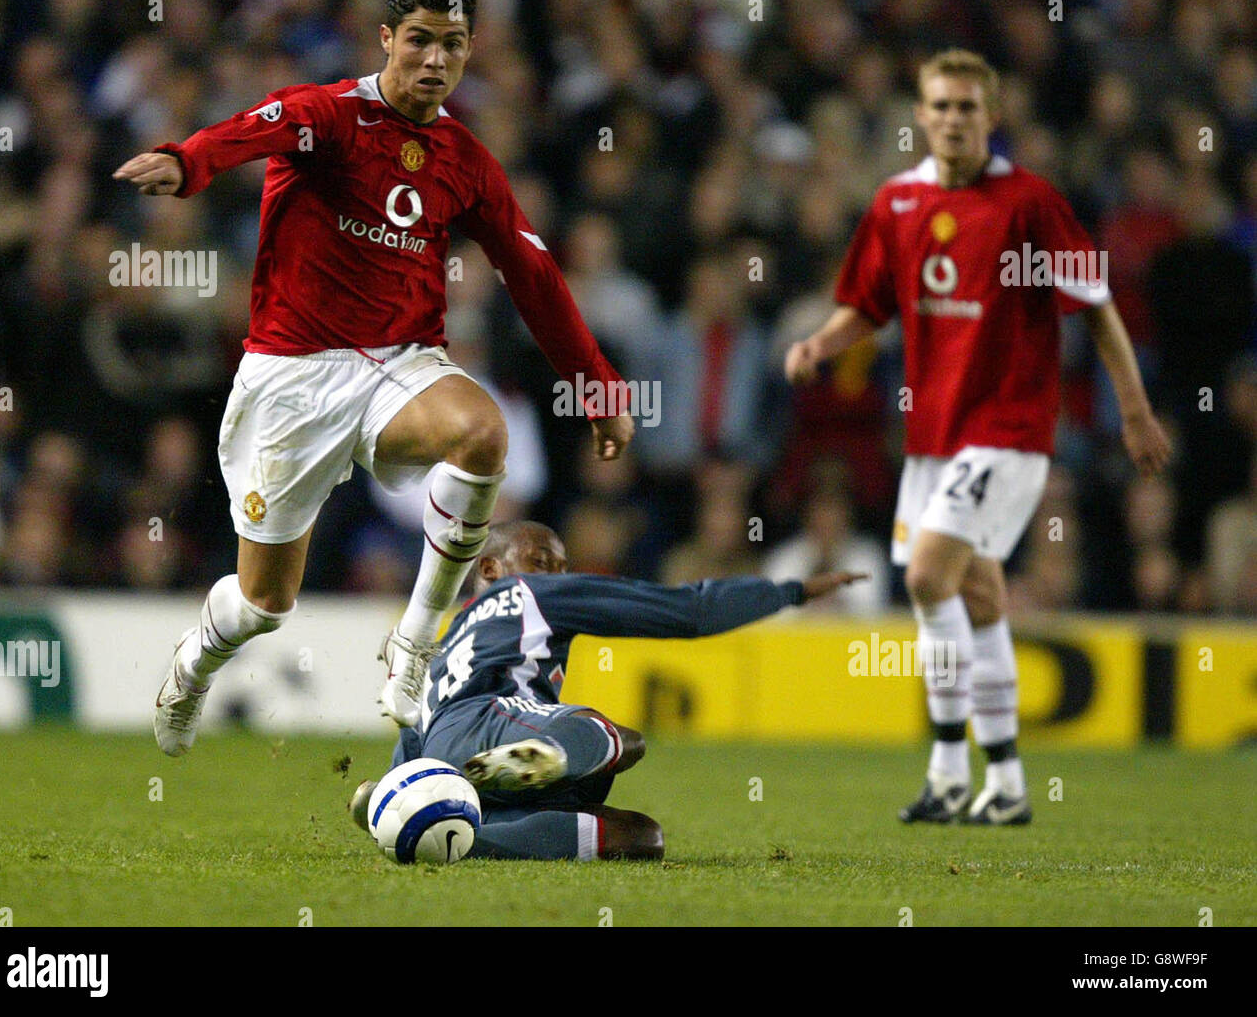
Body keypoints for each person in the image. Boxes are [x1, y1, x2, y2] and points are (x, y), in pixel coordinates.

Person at [113, 0, 634, 756]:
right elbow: (249, 129)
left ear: (469, 53)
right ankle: (193, 665)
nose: (434, 59)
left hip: (400, 364)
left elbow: (531, 272)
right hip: (292, 377)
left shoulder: (465, 158)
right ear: (387, 39)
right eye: (419, 39)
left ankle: (417, 642)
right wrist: (189, 162)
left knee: (483, 433)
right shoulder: (330, 114)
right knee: (264, 603)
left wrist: (595, 383)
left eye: (453, 45)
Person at [785, 50, 1170, 825]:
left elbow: (1094, 305)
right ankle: (1007, 785)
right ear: (921, 115)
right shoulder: (896, 203)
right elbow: (870, 302)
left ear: (993, 118)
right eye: (941, 105)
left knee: (928, 576)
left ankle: (948, 768)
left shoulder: (1030, 204)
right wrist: (822, 345)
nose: (954, 119)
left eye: (969, 107)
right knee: (978, 592)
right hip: (932, 436)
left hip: (1008, 428)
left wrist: (1133, 410)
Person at [349, 520, 865, 860]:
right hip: (491, 720)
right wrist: (788, 590)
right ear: (490, 569)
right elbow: (689, 611)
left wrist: (387, 800)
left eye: (561, 565)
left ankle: (460, 833)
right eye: (542, 560)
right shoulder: (531, 593)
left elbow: (413, 743)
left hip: (449, 758)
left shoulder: (444, 648)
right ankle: (533, 762)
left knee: (641, 838)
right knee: (620, 740)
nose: (557, 574)